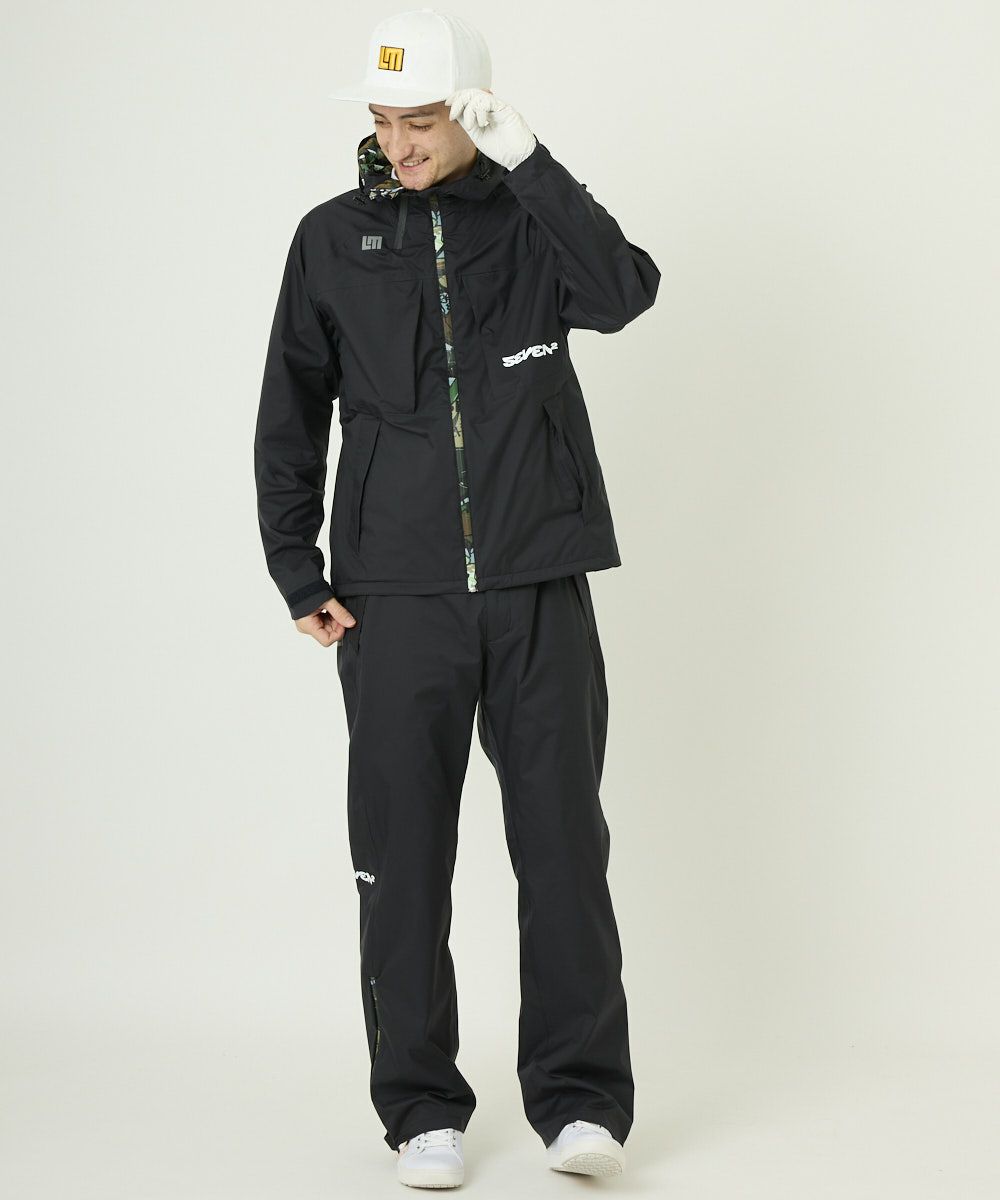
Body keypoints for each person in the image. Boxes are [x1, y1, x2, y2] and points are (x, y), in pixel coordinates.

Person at [253, 7, 660, 1188]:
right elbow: (291, 408)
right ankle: (421, 1109)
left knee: (563, 849)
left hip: (537, 583)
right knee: (402, 860)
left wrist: (533, 163)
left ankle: (581, 1103)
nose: (399, 142)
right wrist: (297, 568)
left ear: (473, 114)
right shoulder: (332, 239)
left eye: (422, 119)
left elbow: (623, 292)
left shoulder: (533, 222)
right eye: (384, 120)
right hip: (393, 598)